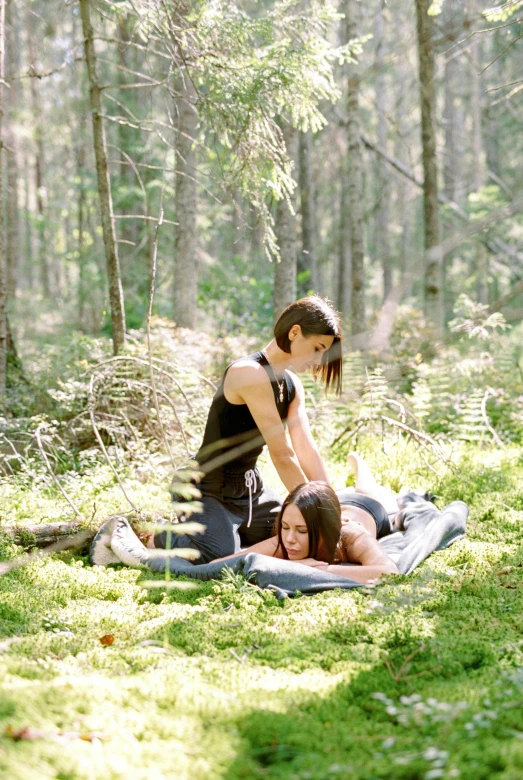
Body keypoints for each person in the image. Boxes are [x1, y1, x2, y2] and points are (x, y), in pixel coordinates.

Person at [153, 295, 343, 564]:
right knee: (218, 554)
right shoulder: (248, 373)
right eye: (317, 348)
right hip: (206, 488)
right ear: (295, 332)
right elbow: (283, 454)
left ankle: (231, 530)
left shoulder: (291, 385)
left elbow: (306, 449)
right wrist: (316, 516)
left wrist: (330, 506)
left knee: (293, 535)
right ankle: (160, 534)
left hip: (250, 492)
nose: (319, 359)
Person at [209, 480, 398, 585]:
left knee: (369, 490)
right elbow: (219, 564)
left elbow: (389, 573)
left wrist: (319, 570)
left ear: (324, 531)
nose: (290, 539)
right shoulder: (284, 541)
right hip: (331, 505)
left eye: (302, 530)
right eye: (284, 527)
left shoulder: (353, 538)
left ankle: (359, 466)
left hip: (368, 508)